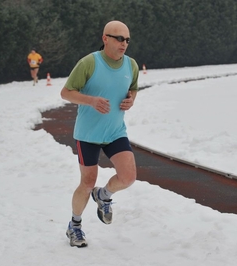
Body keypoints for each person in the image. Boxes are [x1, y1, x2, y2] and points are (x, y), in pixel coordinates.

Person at [60, 20, 139, 248]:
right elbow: (66, 92)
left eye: (127, 40)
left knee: (128, 177)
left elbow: (133, 88)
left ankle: (103, 195)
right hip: (88, 134)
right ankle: (74, 225)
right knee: (87, 183)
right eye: (119, 38)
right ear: (105, 38)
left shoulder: (131, 65)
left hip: (115, 131)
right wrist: (91, 100)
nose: (124, 43)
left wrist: (131, 99)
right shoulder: (89, 63)